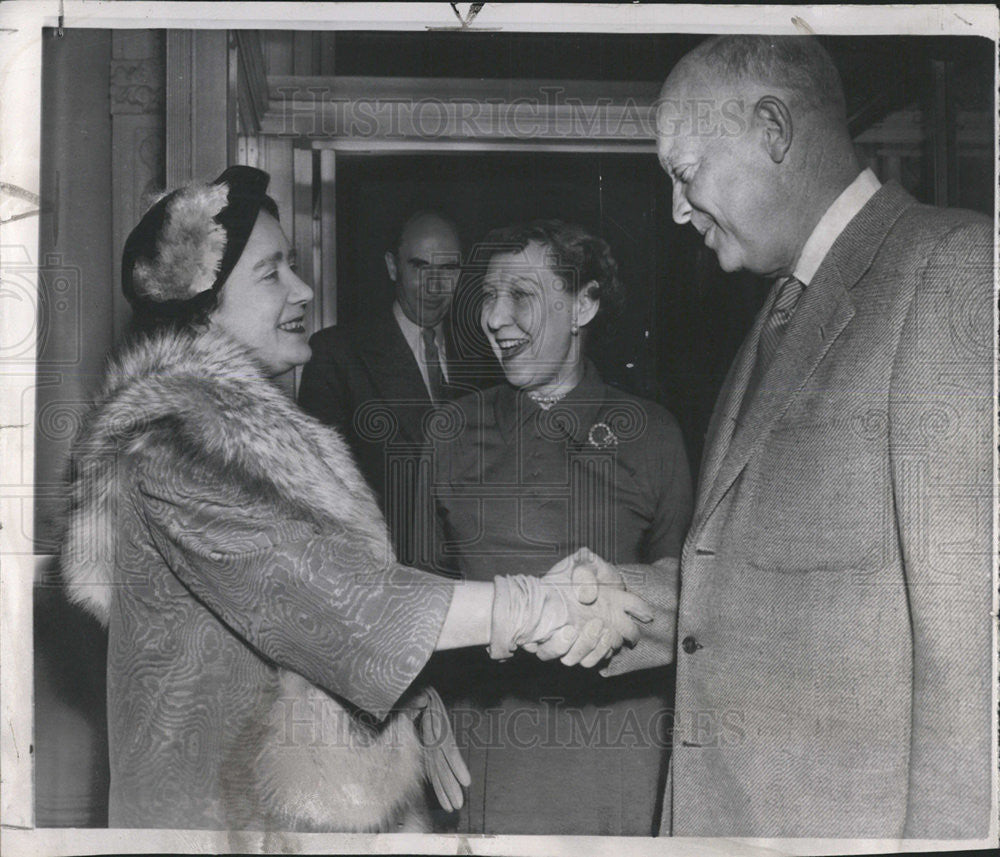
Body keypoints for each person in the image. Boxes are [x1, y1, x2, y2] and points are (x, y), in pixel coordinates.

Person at [59, 167, 655, 832]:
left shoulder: (229, 436)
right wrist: (537, 602)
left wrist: (411, 687)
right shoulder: (173, 445)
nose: (303, 289)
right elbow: (344, 602)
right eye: (271, 273)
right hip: (211, 822)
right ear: (204, 308)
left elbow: (297, 626)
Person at [610, 34, 992, 838]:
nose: (677, 208)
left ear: (773, 130)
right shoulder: (780, 308)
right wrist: (638, 595)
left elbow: (970, 660)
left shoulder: (950, 270)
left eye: (685, 173)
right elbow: (800, 589)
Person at [424, 220, 693, 835]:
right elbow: (400, 592)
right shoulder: (450, 432)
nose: (494, 317)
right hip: (476, 752)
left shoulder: (651, 434)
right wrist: (414, 704)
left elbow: (693, 602)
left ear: (584, 304)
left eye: (521, 296)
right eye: (487, 297)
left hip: (610, 759)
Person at [299, 211, 497, 564]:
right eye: (421, 267)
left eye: (449, 269)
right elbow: (318, 494)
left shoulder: (490, 356)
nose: (435, 287)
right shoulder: (338, 353)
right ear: (393, 267)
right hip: (387, 572)